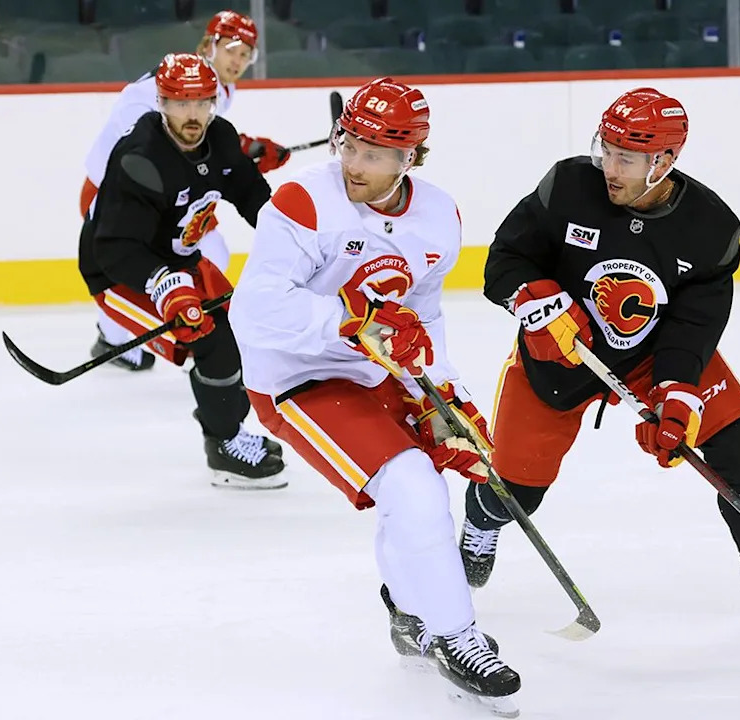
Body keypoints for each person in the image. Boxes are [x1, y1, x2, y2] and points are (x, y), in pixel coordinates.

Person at [457, 87, 740, 623]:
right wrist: (534, 300)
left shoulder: (710, 227)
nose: (610, 166)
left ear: (665, 160)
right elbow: (505, 261)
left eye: (626, 158)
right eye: (605, 150)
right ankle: (481, 521)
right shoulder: (568, 185)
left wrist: (678, 388)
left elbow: (695, 322)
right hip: (559, 354)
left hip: (652, 355)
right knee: (518, 488)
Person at [228, 77, 522, 707]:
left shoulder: (439, 214)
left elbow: (423, 315)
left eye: (373, 153)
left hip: (374, 371)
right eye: (349, 144)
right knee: (411, 482)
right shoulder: (305, 201)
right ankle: (456, 634)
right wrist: (352, 320)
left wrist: (442, 393)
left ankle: (413, 612)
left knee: (422, 487)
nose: (354, 163)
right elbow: (253, 314)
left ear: (409, 156)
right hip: (295, 376)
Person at [77, 52, 286, 491]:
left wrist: (290, 237)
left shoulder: (221, 136)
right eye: (179, 103)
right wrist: (163, 282)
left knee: (242, 325)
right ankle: (224, 444)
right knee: (212, 341)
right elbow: (114, 246)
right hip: (120, 271)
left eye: (201, 103)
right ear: (161, 103)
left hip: (179, 258)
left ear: (213, 102)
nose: (192, 115)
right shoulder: (141, 157)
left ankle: (227, 424)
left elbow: (250, 194)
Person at [82, 10, 292, 371]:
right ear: (209, 44)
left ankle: (117, 338)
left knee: (207, 252)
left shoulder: (217, 86)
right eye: (232, 50)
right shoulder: (154, 91)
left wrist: (245, 153)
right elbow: (155, 152)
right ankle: (122, 337)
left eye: (246, 54)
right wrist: (242, 152)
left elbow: (202, 141)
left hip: (170, 197)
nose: (238, 61)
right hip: (117, 194)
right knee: (190, 254)